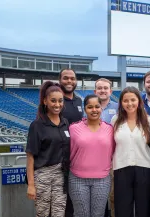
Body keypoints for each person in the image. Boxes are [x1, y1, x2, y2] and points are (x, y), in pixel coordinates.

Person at [26, 81, 70, 217]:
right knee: (43, 213)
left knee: (59, 213)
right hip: (43, 175)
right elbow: (30, 157)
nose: (57, 105)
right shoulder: (37, 125)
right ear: (45, 101)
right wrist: (31, 184)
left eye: (60, 101)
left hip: (61, 175)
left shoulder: (65, 123)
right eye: (53, 101)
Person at [68, 94, 115, 217]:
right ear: (85, 109)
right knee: (81, 214)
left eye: (97, 107)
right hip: (78, 179)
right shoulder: (73, 128)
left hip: (102, 179)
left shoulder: (110, 129)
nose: (94, 110)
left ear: (101, 108)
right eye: (90, 107)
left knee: (98, 214)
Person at [111, 86, 150, 217]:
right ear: (121, 103)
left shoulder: (148, 121)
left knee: (144, 208)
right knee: (123, 208)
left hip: (144, 169)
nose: (129, 104)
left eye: (133, 100)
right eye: (125, 100)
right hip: (121, 168)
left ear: (139, 101)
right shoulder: (115, 120)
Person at [59, 68, 83, 217]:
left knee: (74, 200)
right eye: (65, 78)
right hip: (59, 157)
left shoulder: (79, 100)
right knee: (60, 200)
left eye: (72, 78)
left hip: (76, 157)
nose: (69, 81)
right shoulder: (56, 99)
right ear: (60, 80)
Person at [94, 78, 118, 217]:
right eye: (99, 88)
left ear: (111, 91)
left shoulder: (118, 107)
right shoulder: (88, 107)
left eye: (105, 88)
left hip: (113, 159)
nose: (102, 90)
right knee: (98, 199)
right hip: (94, 159)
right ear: (95, 91)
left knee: (114, 196)